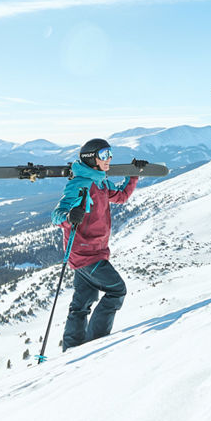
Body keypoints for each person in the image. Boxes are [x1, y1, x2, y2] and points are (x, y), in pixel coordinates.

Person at [50, 138, 145, 350]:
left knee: (82, 303)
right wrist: (69, 216)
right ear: (91, 159)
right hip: (86, 254)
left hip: (91, 253)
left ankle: (72, 348)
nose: (109, 158)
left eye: (110, 153)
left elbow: (120, 197)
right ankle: (96, 344)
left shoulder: (101, 182)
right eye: (104, 155)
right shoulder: (80, 185)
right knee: (117, 290)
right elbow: (56, 215)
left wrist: (133, 176)